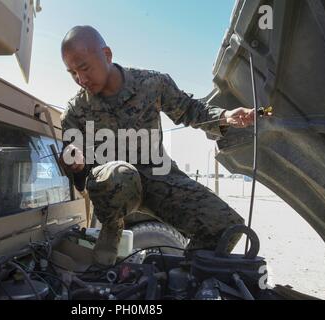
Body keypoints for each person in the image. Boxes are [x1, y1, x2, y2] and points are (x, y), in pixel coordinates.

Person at [59, 26, 254, 267]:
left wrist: (225, 116)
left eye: (84, 67)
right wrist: (74, 160)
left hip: (159, 178)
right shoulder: (75, 111)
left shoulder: (151, 84)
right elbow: (71, 152)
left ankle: (182, 273)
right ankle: (112, 228)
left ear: (107, 55)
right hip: (113, 190)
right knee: (120, 173)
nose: (81, 79)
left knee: (227, 227)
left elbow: (191, 109)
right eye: (72, 73)